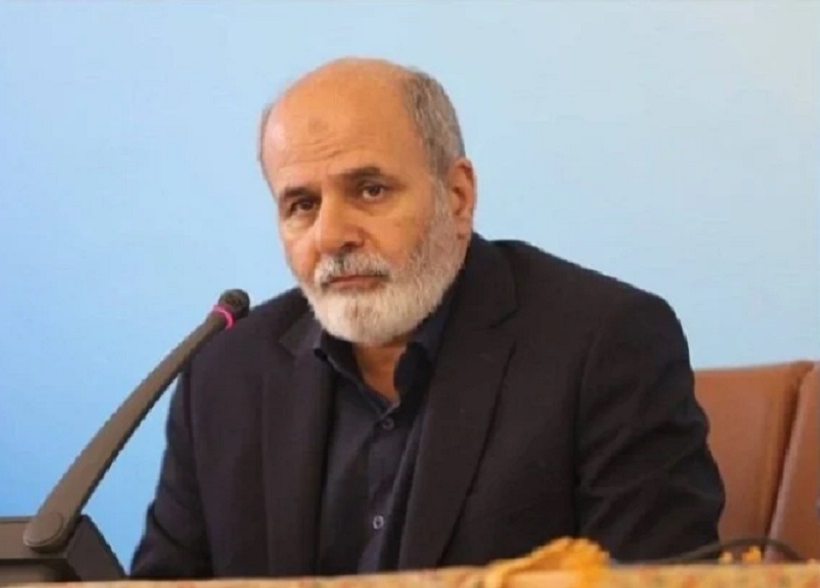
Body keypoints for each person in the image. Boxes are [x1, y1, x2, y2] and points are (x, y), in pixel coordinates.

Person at [130, 57, 724, 579]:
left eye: (369, 190)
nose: (331, 236)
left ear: (457, 197)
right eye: (301, 204)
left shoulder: (604, 345)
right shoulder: (225, 376)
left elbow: (656, 578)